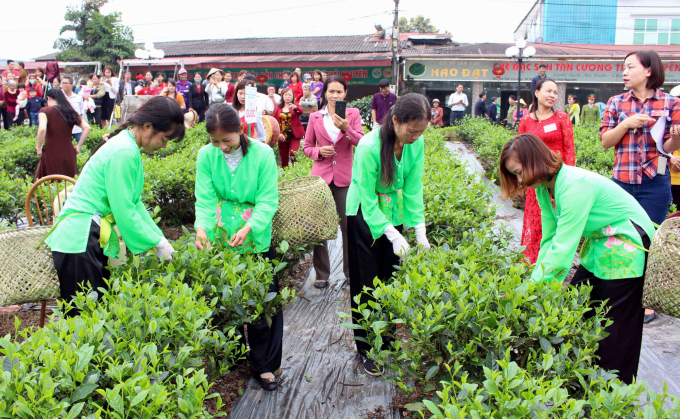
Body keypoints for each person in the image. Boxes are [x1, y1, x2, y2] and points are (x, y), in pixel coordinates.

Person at [499, 133, 654, 385]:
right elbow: (549, 240)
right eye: (514, 175)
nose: (519, 180)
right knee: (579, 308)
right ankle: (585, 385)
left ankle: (614, 394)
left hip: (626, 244)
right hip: (601, 244)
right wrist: (532, 285)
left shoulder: (573, 185)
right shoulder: (544, 187)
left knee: (616, 328)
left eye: (519, 172)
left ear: (535, 161)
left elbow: (563, 248)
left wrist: (528, 295)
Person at [45, 96, 182, 316]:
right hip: (79, 238)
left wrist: (159, 239)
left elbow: (133, 203)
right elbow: (124, 210)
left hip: (87, 236)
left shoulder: (128, 146)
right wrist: (156, 242)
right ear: (148, 127)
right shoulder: (124, 152)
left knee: (97, 313)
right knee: (85, 318)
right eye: (164, 139)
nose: (164, 146)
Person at [194, 103, 282, 391]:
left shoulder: (262, 154)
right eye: (215, 141)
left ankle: (264, 365)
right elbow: (205, 199)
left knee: (261, 300)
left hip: (254, 234)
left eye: (227, 140)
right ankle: (230, 356)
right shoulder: (206, 156)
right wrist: (202, 229)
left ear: (240, 130)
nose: (222, 147)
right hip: (222, 235)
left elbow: (268, 200)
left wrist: (250, 227)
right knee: (224, 297)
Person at [346, 93, 431, 376]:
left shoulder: (415, 145)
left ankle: (389, 339)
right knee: (367, 283)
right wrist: (392, 235)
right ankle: (368, 348)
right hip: (364, 215)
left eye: (421, 131)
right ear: (395, 120)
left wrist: (419, 230)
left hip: (394, 211)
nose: (416, 136)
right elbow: (368, 200)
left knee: (390, 278)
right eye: (412, 130)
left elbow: (413, 188)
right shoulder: (369, 147)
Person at [601, 50, 680, 324]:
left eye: (630, 67)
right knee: (620, 239)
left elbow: (668, 147)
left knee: (649, 242)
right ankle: (619, 293)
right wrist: (627, 123)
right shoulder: (616, 102)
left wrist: (676, 139)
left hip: (654, 183)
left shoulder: (671, 102)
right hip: (621, 182)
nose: (624, 72)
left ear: (648, 71)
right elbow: (606, 141)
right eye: (623, 67)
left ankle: (646, 300)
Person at [303, 75, 364, 288]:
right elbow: (307, 147)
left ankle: (351, 272)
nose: (335, 95)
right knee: (320, 227)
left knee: (349, 225)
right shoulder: (315, 118)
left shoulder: (353, 114)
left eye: (339, 91)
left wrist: (347, 128)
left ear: (345, 93)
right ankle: (321, 274)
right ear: (325, 93)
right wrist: (319, 152)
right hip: (321, 179)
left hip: (345, 178)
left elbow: (361, 143)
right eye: (331, 91)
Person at [518, 78, 575, 264]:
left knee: (556, 222)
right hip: (535, 181)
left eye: (555, 92)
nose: (553, 96)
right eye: (548, 91)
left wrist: (568, 180)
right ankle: (533, 261)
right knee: (536, 222)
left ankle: (553, 262)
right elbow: (520, 151)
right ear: (536, 92)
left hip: (557, 180)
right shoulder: (526, 120)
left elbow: (569, 150)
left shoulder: (562, 118)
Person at [35, 88, 90, 179]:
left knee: (50, 183)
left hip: (51, 151)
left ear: (48, 98)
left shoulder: (44, 111)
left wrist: (38, 148)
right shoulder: (69, 111)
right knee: (68, 182)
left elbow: (42, 129)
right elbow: (87, 127)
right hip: (69, 152)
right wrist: (78, 146)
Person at [274, 88, 304, 167]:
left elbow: (301, 111)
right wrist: (279, 134)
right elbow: (275, 122)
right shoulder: (277, 108)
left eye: (289, 95)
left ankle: (296, 172)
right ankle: (285, 177)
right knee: (284, 160)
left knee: (293, 153)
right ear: (282, 96)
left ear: (293, 96)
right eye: (285, 95)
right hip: (282, 137)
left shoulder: (296, 106)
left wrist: (295, 108)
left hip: (294, 135)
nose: (287, 96)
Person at [61, 76, 86, 144]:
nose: (64, 85)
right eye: (62, 83)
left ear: (72, 84)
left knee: (81, 150)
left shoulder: (78, 98)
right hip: (64, 130)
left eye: (66, 83)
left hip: (77, 129)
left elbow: (81, 113)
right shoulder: (59, 99)